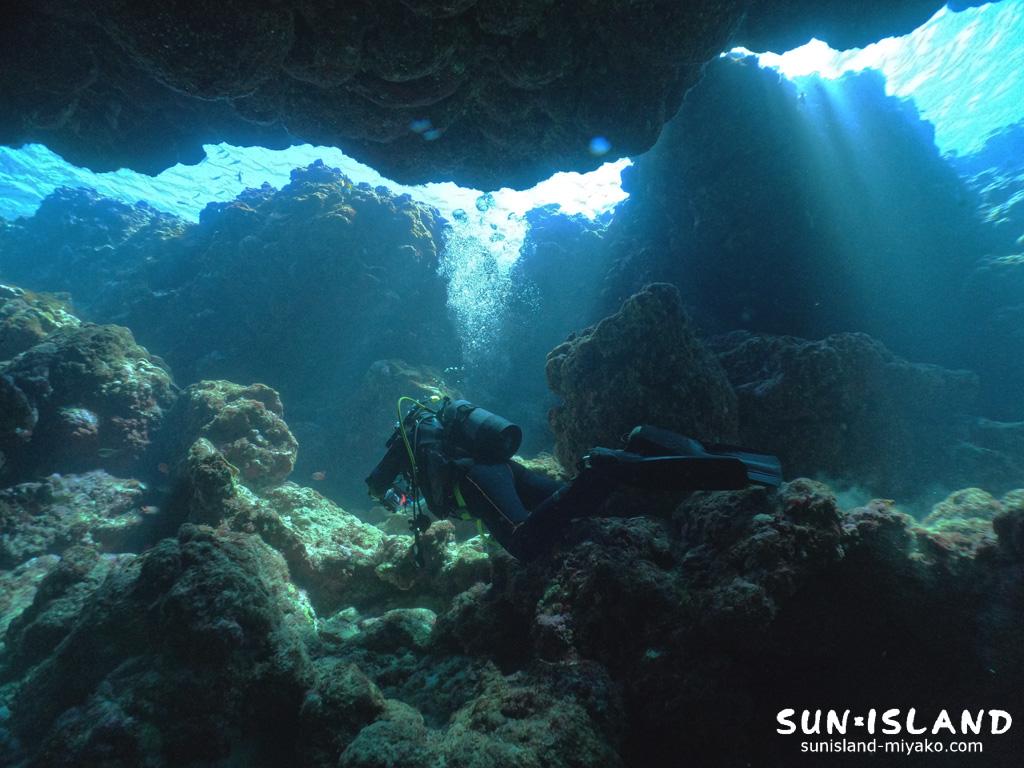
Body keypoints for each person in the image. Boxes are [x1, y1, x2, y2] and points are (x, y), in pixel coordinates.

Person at [366, 397, 782, 562]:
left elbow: (376, 485)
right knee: (571, 501)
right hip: (502, 468)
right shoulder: (437, 427)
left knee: (527, 542)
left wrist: (397, 502)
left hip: (474, 480)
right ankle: (638, 445)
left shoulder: (408, 437)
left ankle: (607, 468)